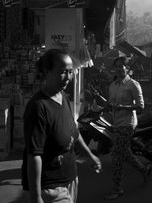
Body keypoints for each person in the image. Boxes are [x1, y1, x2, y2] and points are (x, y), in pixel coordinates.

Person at [21, 48, 102, 203]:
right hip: (50, 189)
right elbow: (34, 155)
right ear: (46, 72)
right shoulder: (38, 107)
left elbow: (73, 132)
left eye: (70, 72)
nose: (68, 77)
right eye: (63, 72)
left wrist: (89, 155)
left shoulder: (63, 96)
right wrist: (36, 197)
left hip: (70, 179)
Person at [105, 56, 151, 200]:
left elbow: (140, 106)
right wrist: (99, 101)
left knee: (116, 155)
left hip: (128, 123)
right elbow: (110, 105)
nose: (119, 69)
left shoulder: (133, 84)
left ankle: (117, 188)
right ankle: (143, 169)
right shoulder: (112, 85)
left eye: (121, 66)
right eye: (116, 66)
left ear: (127, 68)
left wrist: (124, 107)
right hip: (116, 123)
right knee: (124, 152)